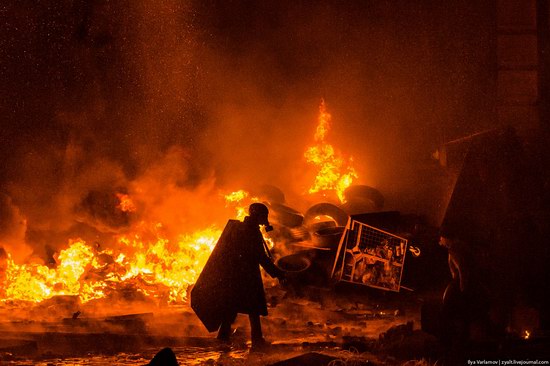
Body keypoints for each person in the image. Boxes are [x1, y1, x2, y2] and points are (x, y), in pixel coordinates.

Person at [191, 203, 285, 350]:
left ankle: (223, 336)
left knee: (232, 306)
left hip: (235, 275)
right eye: (263, 215)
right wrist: (278, 273)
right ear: (257, 215)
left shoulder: (240, 228)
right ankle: (257, 339)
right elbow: (260, 256)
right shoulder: (250, 232)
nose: (265, 218)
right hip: (247, 276)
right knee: (253, 308)